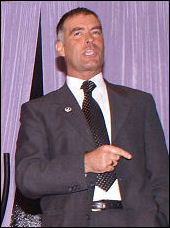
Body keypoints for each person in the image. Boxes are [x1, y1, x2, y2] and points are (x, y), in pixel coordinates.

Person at [15, 7, 169, 227]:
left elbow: (162, 176)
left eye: (96, 32)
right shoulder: (39, 111)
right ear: (60, 48)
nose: (89, 39)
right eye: (78, 33)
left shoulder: (139, 103)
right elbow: (28, 178)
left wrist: (160, 220)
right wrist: (85, 163)